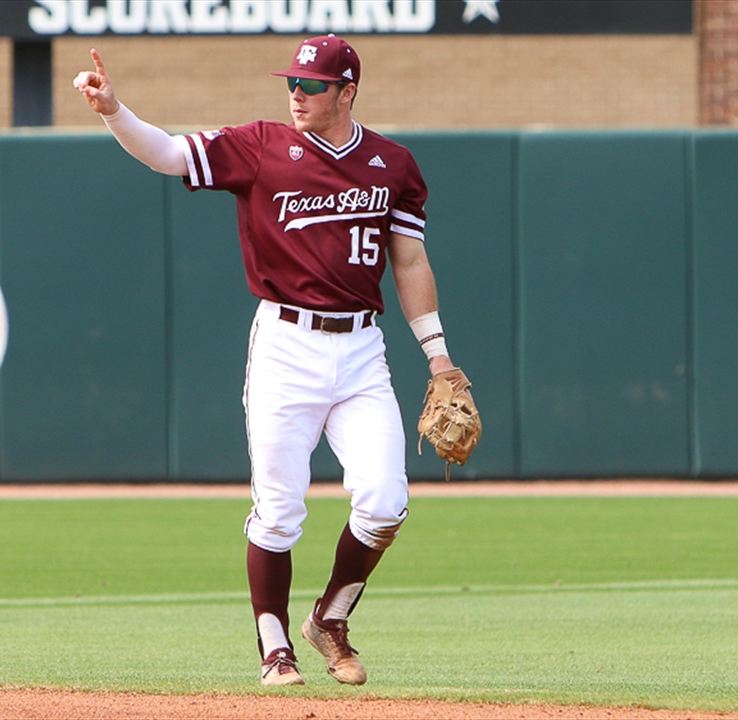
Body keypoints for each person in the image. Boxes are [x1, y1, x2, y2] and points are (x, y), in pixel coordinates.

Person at [75, 34, 463, 687]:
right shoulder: (260, 146)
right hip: (287, 343)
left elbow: (411, 261)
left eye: (312, 85)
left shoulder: (392, 164)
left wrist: (440, 358)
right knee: (280, 510)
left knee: (386, 503)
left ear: (346, 91)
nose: (297, 94)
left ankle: (330, 618)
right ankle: (274, 644)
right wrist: (115, 109)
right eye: (292, 82)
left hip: (363, 348)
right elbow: (169, 156)